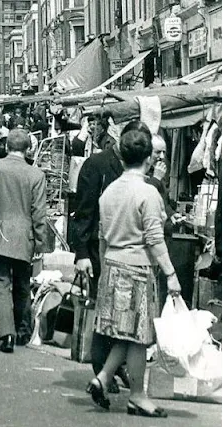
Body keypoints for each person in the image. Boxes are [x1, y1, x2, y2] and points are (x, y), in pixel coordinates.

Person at [86, 128, 180, 418]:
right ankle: (138, 395)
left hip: (112, 266)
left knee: (126, 334)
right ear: (149, 158)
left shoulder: (110, 191)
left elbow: (102, 236)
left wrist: (105, 268)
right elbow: (154, 238)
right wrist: (171, 274)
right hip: (138, 269)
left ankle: (102, 378)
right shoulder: (147, 192)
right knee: (139, 336)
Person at [72, 120, 152, 393]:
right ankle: (102, 369)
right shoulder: (96, 165)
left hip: (125, 254)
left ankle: (111, 372)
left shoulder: (143, 173)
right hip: (99, 252)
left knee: (124, 319)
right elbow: (82, 211)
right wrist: (81, 253)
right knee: (104, 315)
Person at [0, 129, 47, 352]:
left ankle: (6, 334)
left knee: (0, 284)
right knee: (22, 284)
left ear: (6, 146)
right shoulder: (36, 175)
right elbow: (39, 212)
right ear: (28, 148)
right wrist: (41, 243)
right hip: (24, 234)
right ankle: (22, 330)